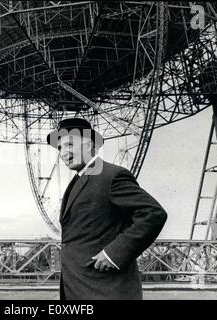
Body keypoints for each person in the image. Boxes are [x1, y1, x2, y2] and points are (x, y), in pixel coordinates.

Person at [47, 118, 167, 300]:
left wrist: (113, 254)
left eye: (69, 144)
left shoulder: (111, 176)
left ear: (88, 145)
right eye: (60, 148)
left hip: (106, 290)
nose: (63, 153)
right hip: (80, 289)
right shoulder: (79, 181)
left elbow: (153, 214)